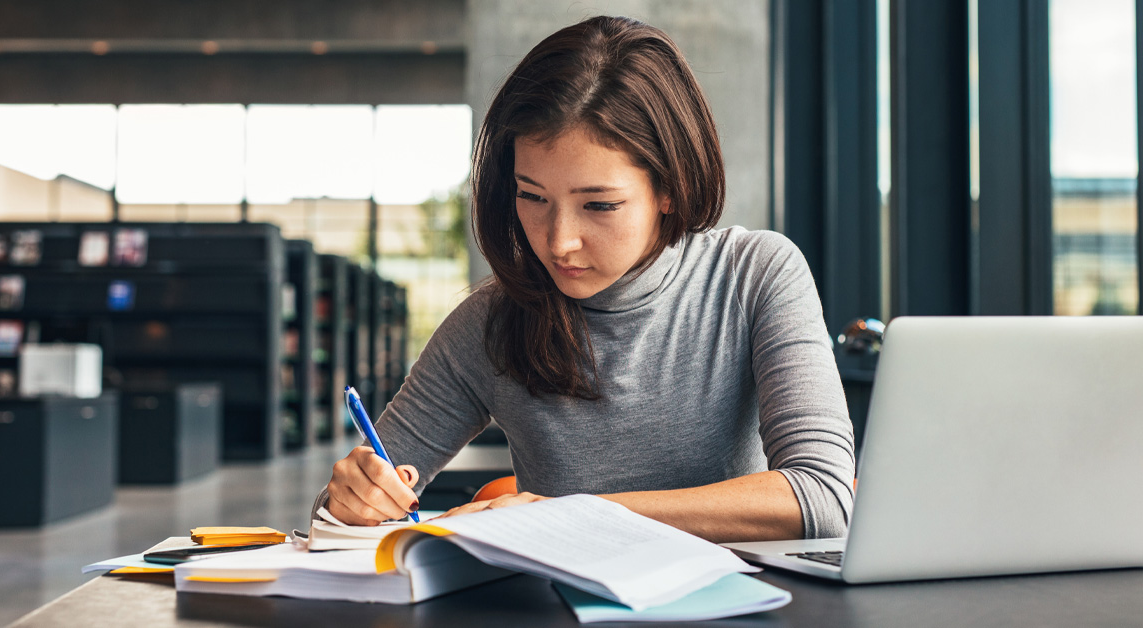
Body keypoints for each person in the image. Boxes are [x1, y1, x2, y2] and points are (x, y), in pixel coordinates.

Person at [314, 15, 854, 543]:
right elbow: (332, 522)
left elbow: (823, 497)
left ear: (670, 188)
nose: (558, 241)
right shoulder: (489, 323)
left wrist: (573, 516)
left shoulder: (753, 275)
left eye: (599, 204)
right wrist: (352, 501)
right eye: (532, 197)